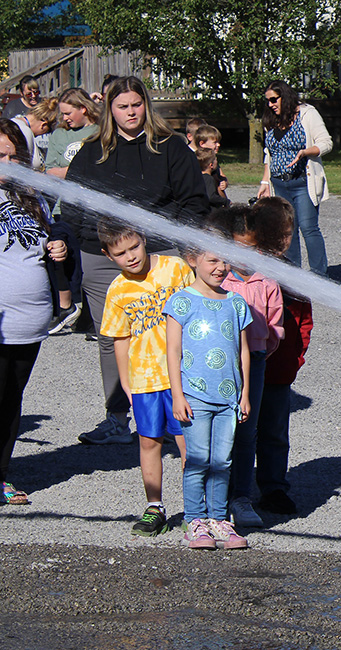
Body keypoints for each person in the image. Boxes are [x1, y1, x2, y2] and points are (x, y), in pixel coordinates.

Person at [64, 75, 208, 445]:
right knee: (112, 337)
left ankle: (183, 407)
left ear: (147, 104)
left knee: (170, 332)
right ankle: (116, 418)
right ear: (109, 110)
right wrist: (86, 239)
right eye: (122, 106)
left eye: (137, 104)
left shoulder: (172, 148)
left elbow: (193, 202)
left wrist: (179, 244)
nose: (131, 112)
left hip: (160, 253)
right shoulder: (92, 150)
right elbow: (73, 202)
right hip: (100, 256)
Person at [99, 221, 194, 536]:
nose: (130, 257)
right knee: (149, 441)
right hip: (144, 380)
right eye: (120, 253)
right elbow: (120, 338)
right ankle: (155, 506)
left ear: (144, 239)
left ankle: (196, 508)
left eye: (134, 247)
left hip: (181, 377)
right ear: (108, 255)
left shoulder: (176, 269)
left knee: (187, 442)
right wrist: (126, 382)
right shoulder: (118, 289)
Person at [164, 234, 253, 550]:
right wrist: (177, 395)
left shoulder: (236, 303)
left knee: (223, 460)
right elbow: (172, 351)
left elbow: (243, 351)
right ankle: (195, 520)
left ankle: (218, 519)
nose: (220, 267)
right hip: (195, 396)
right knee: (198, 459)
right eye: (212, 260)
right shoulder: (181, 301)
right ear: (193, 259)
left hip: (228, 398)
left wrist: (243, 395)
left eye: (225, 260)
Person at [0, 119, 67, 506]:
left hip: (29, 320)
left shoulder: (31, 197)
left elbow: (45, 239)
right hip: (0, 320)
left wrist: (57, 246)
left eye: (13, 156)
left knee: (11, 401)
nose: (7, 163)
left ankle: (2, 475)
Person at [211, 205, 286, 527]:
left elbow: (275, 329)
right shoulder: (217, 280)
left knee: (246, 432)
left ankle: (241, 497)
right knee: (216, 430)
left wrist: (257, 354)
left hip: (253, 363)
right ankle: (214, 498)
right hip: (216, 363)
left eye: (252, 248)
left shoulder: (268, 281)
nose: (244, 256)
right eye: (236, 248)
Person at [250, 197, 312, 516]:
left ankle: (273, 488)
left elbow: (304, 320)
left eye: (288, 233)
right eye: (279, 233)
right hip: (243, 371)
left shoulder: (292, 274)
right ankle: (236, 490)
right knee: (242, 430)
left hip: (278, 372)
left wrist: (295, 359)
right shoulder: (242, 270)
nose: (285, 240)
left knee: (275, 433)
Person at [257, 80, 332, 277]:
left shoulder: (307, 114)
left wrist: (306, 152)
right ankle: (293, 275)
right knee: (287, 230)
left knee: (308, 227)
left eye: (274, 99)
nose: (271, 104)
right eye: (268, 101)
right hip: (279, 183)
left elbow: (326, 143)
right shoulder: (271, 119)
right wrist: (265, 182)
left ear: (285, 96)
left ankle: (319, 275)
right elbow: (269, 154)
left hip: (302, 181)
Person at [44, 88, 102, 335]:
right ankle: (66, 308)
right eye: (62, 114)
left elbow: (100, 170)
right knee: (62, 259)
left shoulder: (99, 132)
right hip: (64, 206)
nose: (65, 118)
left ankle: (91, 319)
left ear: (84, 109)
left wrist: (68, 171)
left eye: (68, 113)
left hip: (93, 207)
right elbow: (49, 171)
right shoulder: (58, 135)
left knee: (91, 262)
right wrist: (80, 172)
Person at [10, 97, 58, 170]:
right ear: (44, 125)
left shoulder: (11, 123)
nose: (41, 135)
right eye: (48, 131)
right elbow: (27, 164)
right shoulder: (25, 131)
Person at [195, 125, 229, 201]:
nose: (218, 145)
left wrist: (225, 182)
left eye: (218, 142)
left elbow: (222, 176)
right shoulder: (197, 160)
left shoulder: (213, 159)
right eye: (215, 142)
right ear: (202, 144)